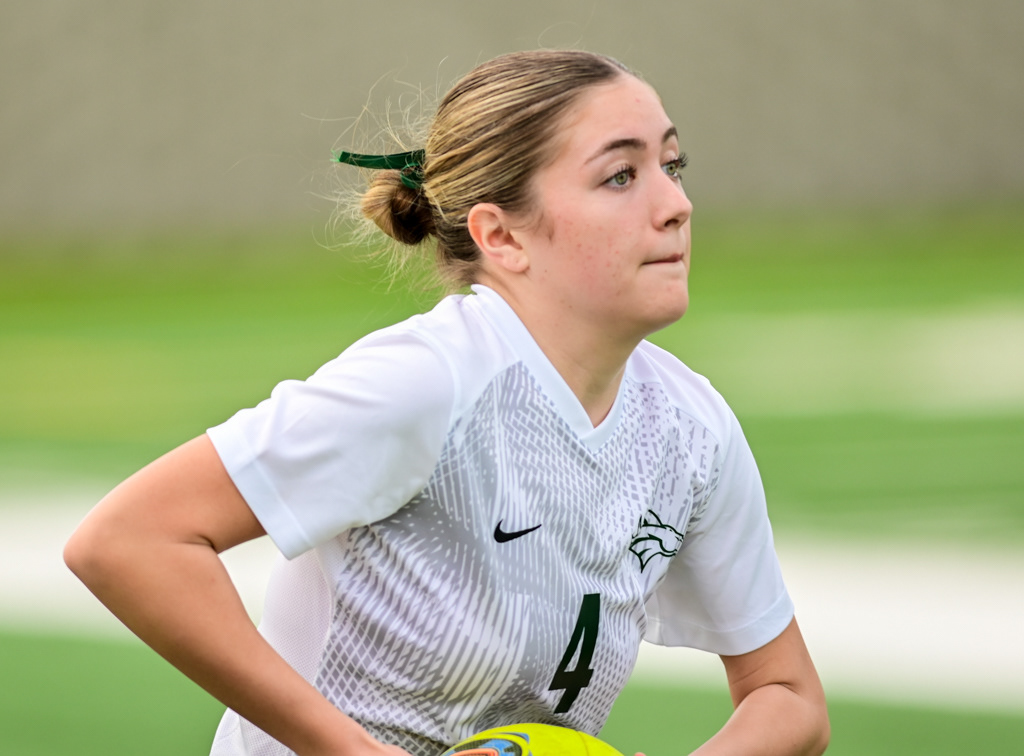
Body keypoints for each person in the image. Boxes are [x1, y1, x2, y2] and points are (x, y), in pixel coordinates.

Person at [64, 50, 829, 756]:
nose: (676, 204)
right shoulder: (430, 381)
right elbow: (128, 543)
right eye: (621, 177)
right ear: (501, 236)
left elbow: (788, 695)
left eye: (673, 163)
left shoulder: (692, 430)